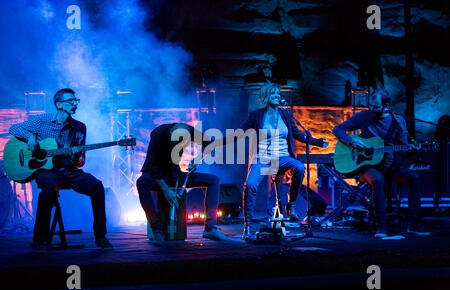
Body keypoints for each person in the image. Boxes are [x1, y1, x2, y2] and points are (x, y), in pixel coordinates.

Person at [9, 88, 113, 252]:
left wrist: (75, 157)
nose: (74, 103)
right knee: (48, 189)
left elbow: (81, 162)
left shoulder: (79, 128)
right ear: (59, 104)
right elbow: (14, 129)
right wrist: (30, 137)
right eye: (70, 100)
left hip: (69, 171)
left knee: (97, 186)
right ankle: (39, 240)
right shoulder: (43, 120)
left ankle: (101, 236)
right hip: (47, 172)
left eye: (75, 100)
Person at [332, 87, 429, 237]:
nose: (372, 109)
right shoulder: (364, 116)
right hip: (366, 166)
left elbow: (403, 150)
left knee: (413, 178)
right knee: (378, 180)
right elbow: (338, 130)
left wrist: (412, 149)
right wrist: (352, 142)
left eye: (376, 107)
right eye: (370, 105)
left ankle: (414, 224)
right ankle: (382, 226)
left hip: (389, 165)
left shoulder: (398, 121)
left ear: (386, 106)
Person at [240, 83, 328, 240]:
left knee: (299, 167)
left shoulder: (285, 114)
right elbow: (240, 132)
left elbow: (298, 134)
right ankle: (247, 227)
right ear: (265, 97)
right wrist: (220, 141)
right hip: (263, 159)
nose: (276, 95)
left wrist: (316, 142)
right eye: (272, 93)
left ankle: (291, 204)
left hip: (283, 158)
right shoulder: (257, 115)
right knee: (251, 185)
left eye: (277, 93)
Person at [136, 122, 230, 245]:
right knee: (141, 182)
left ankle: (210, 228)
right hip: (155, 176)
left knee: (213, 180)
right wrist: (166, 190)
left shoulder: (189, 130)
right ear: (170, 134)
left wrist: (197, 160)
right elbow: (151, 165)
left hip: (175, 175)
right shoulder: (158, 133)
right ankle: (157, 229)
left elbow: (210, 142)